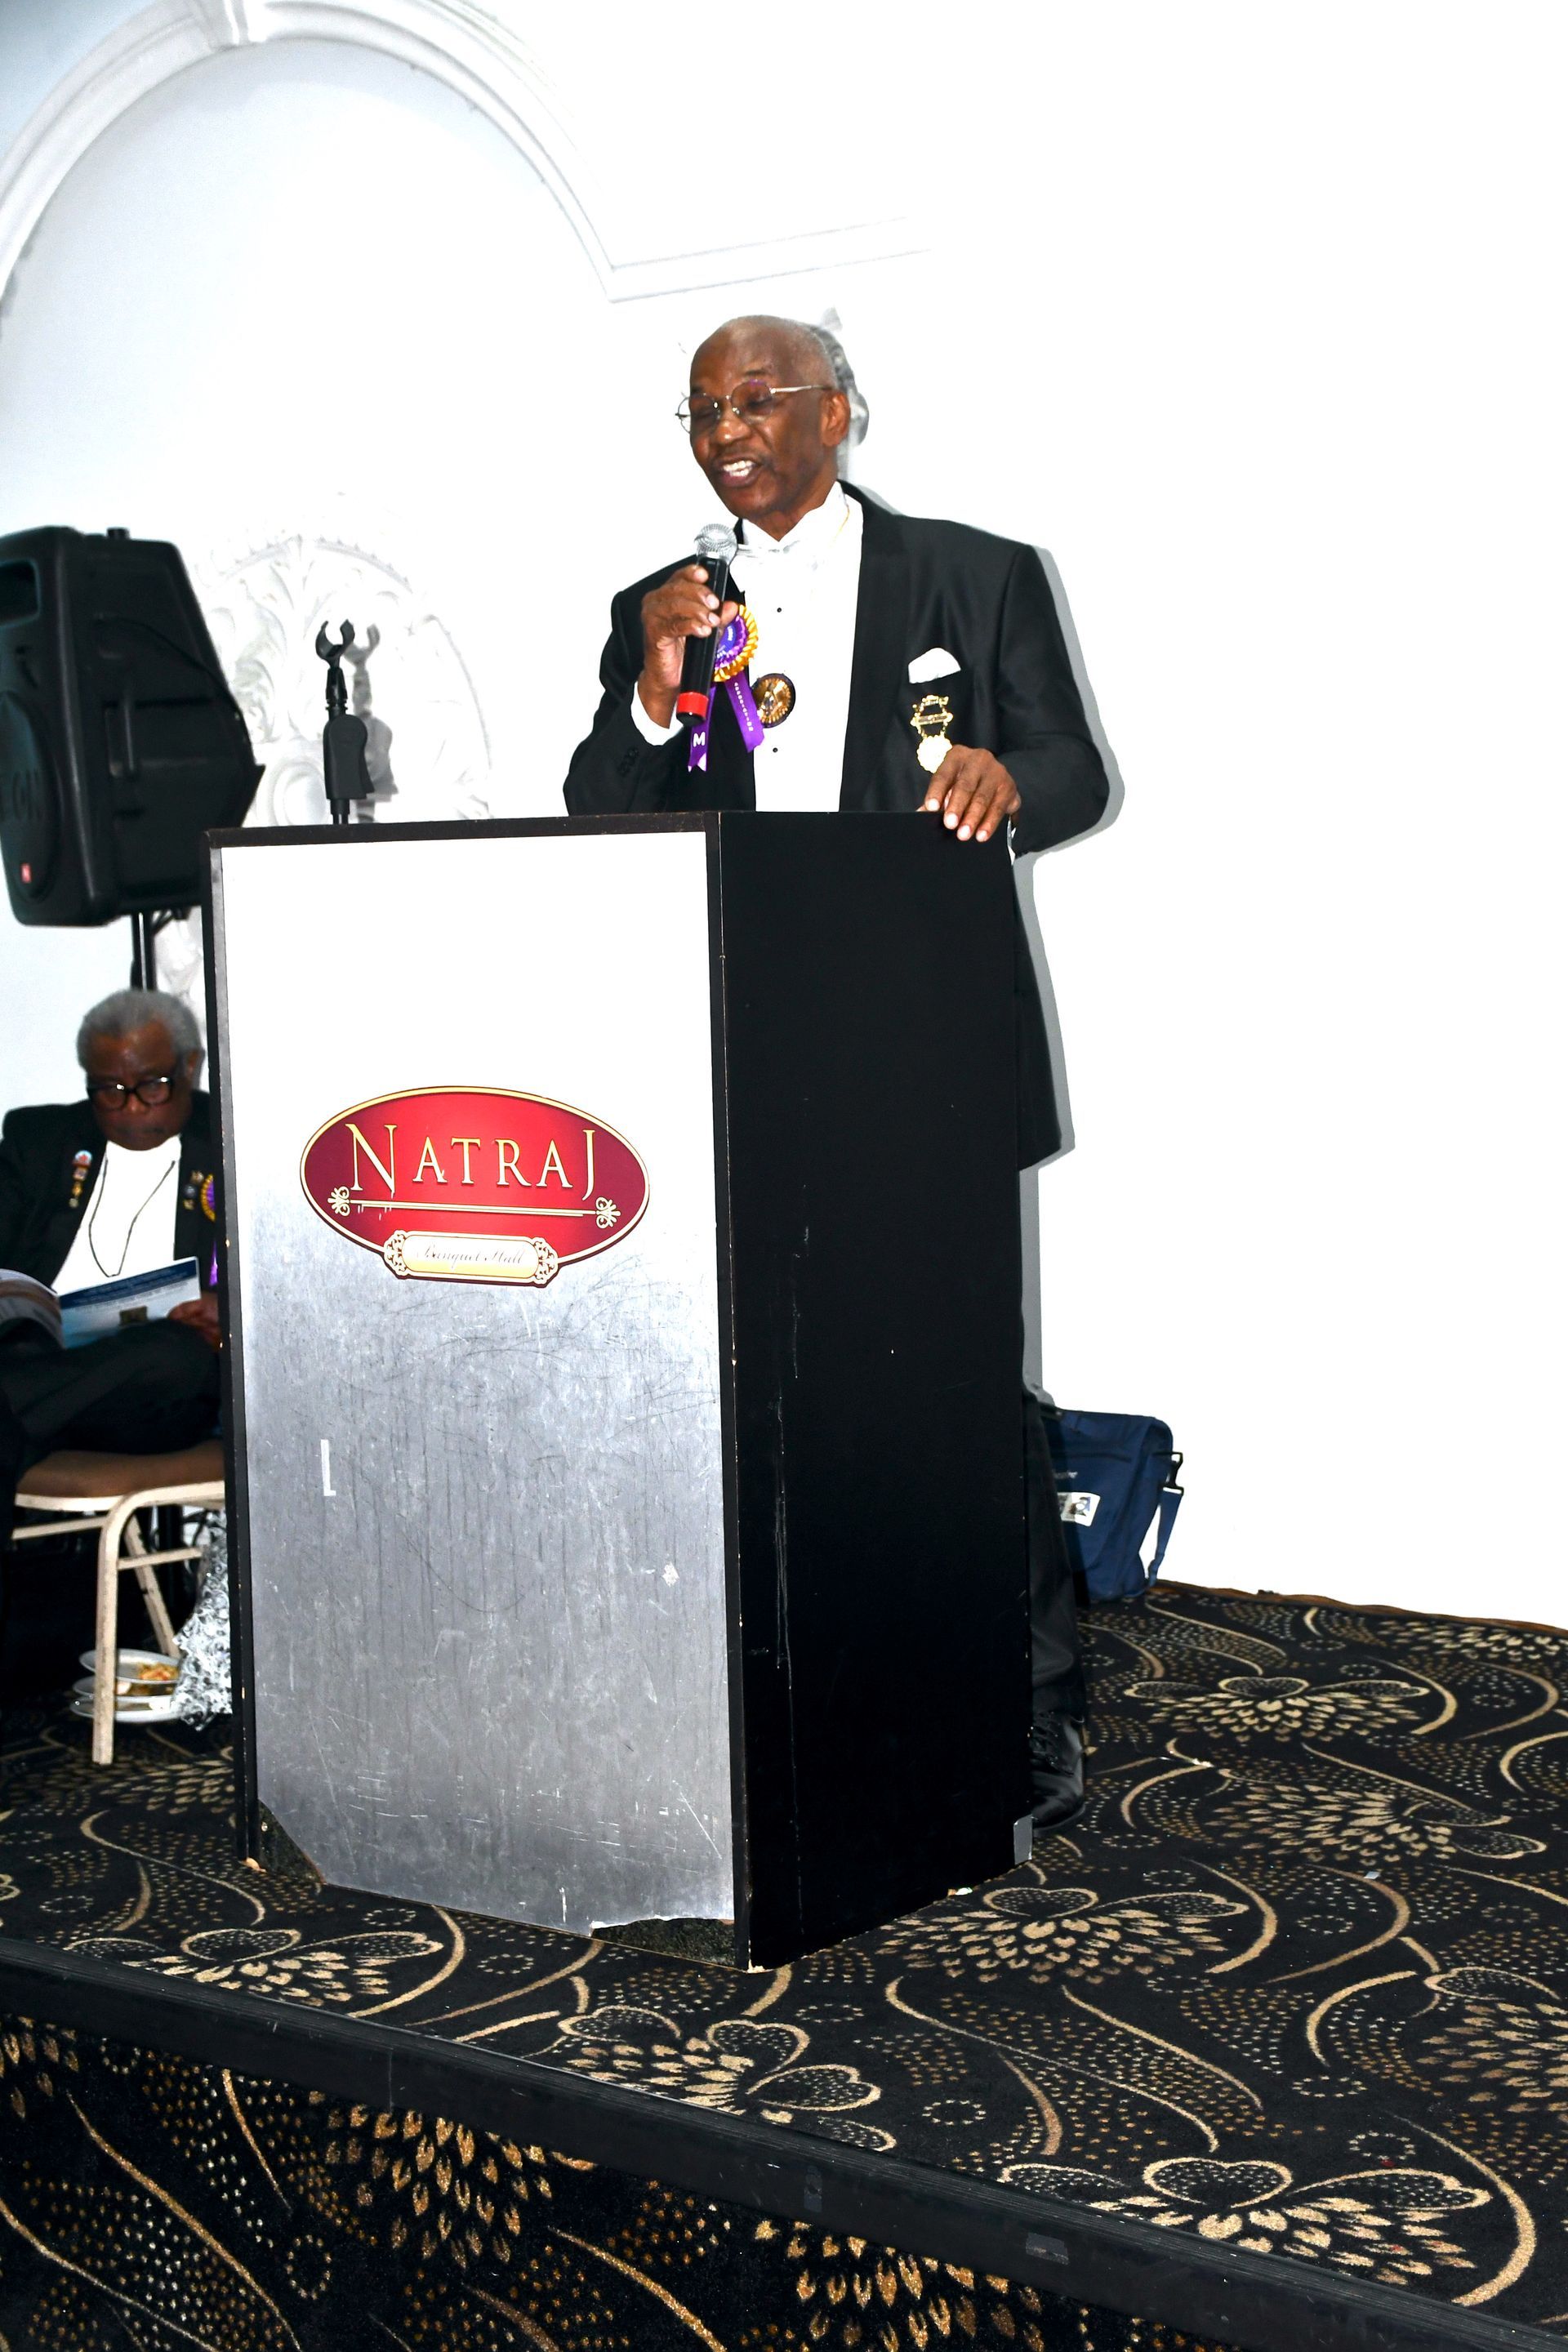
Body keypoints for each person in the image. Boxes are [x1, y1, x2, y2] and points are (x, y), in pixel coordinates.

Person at [564, 316, 1111, 1828]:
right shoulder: (662, 607)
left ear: (839, 413)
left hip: (927, 1038)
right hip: (744, 1042)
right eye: (701, 410)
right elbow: (601, 811)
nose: (726, 430)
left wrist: (1008, 777)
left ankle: (1027, 1707)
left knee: (961, 1381)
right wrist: (654, 688)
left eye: (757, 400)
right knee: (773, 1379)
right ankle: (806, 1682)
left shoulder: (973, 576)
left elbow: (1075, 769)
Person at [0, 987, 222, 1547]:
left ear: (190, 1066)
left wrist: (231, 1308)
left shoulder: (236, 1141)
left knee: (175, 1355)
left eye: (152, 1085)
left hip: (150, 1389)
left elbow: (290, 1271)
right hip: (41, 1359)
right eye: (109, 1090)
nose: (130, 1107)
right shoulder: (40, 1142)